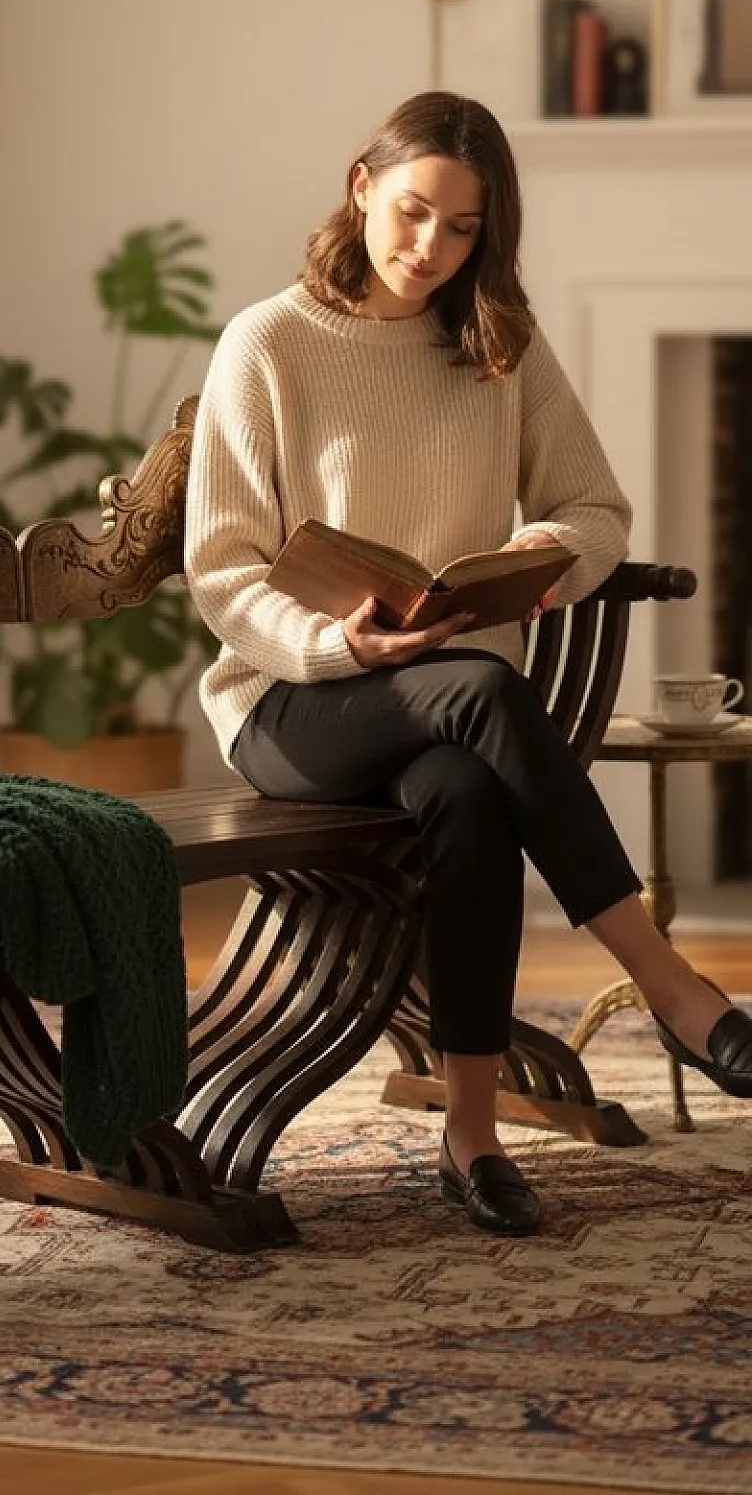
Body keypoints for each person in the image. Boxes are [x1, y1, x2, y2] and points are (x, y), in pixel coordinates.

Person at [183, 89, 752, 1237]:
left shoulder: (496, 345)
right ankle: (672, 986)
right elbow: (221, 573)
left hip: (444, 719)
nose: (428, 248)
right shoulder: (268, 342)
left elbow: (592, 505)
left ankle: (471, 1134)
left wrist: (545, 553)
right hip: (292, 703)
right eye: (410, 213)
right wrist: (340, 641)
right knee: (488, 688)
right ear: (359, 185)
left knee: (462, 792)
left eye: (460, 230)